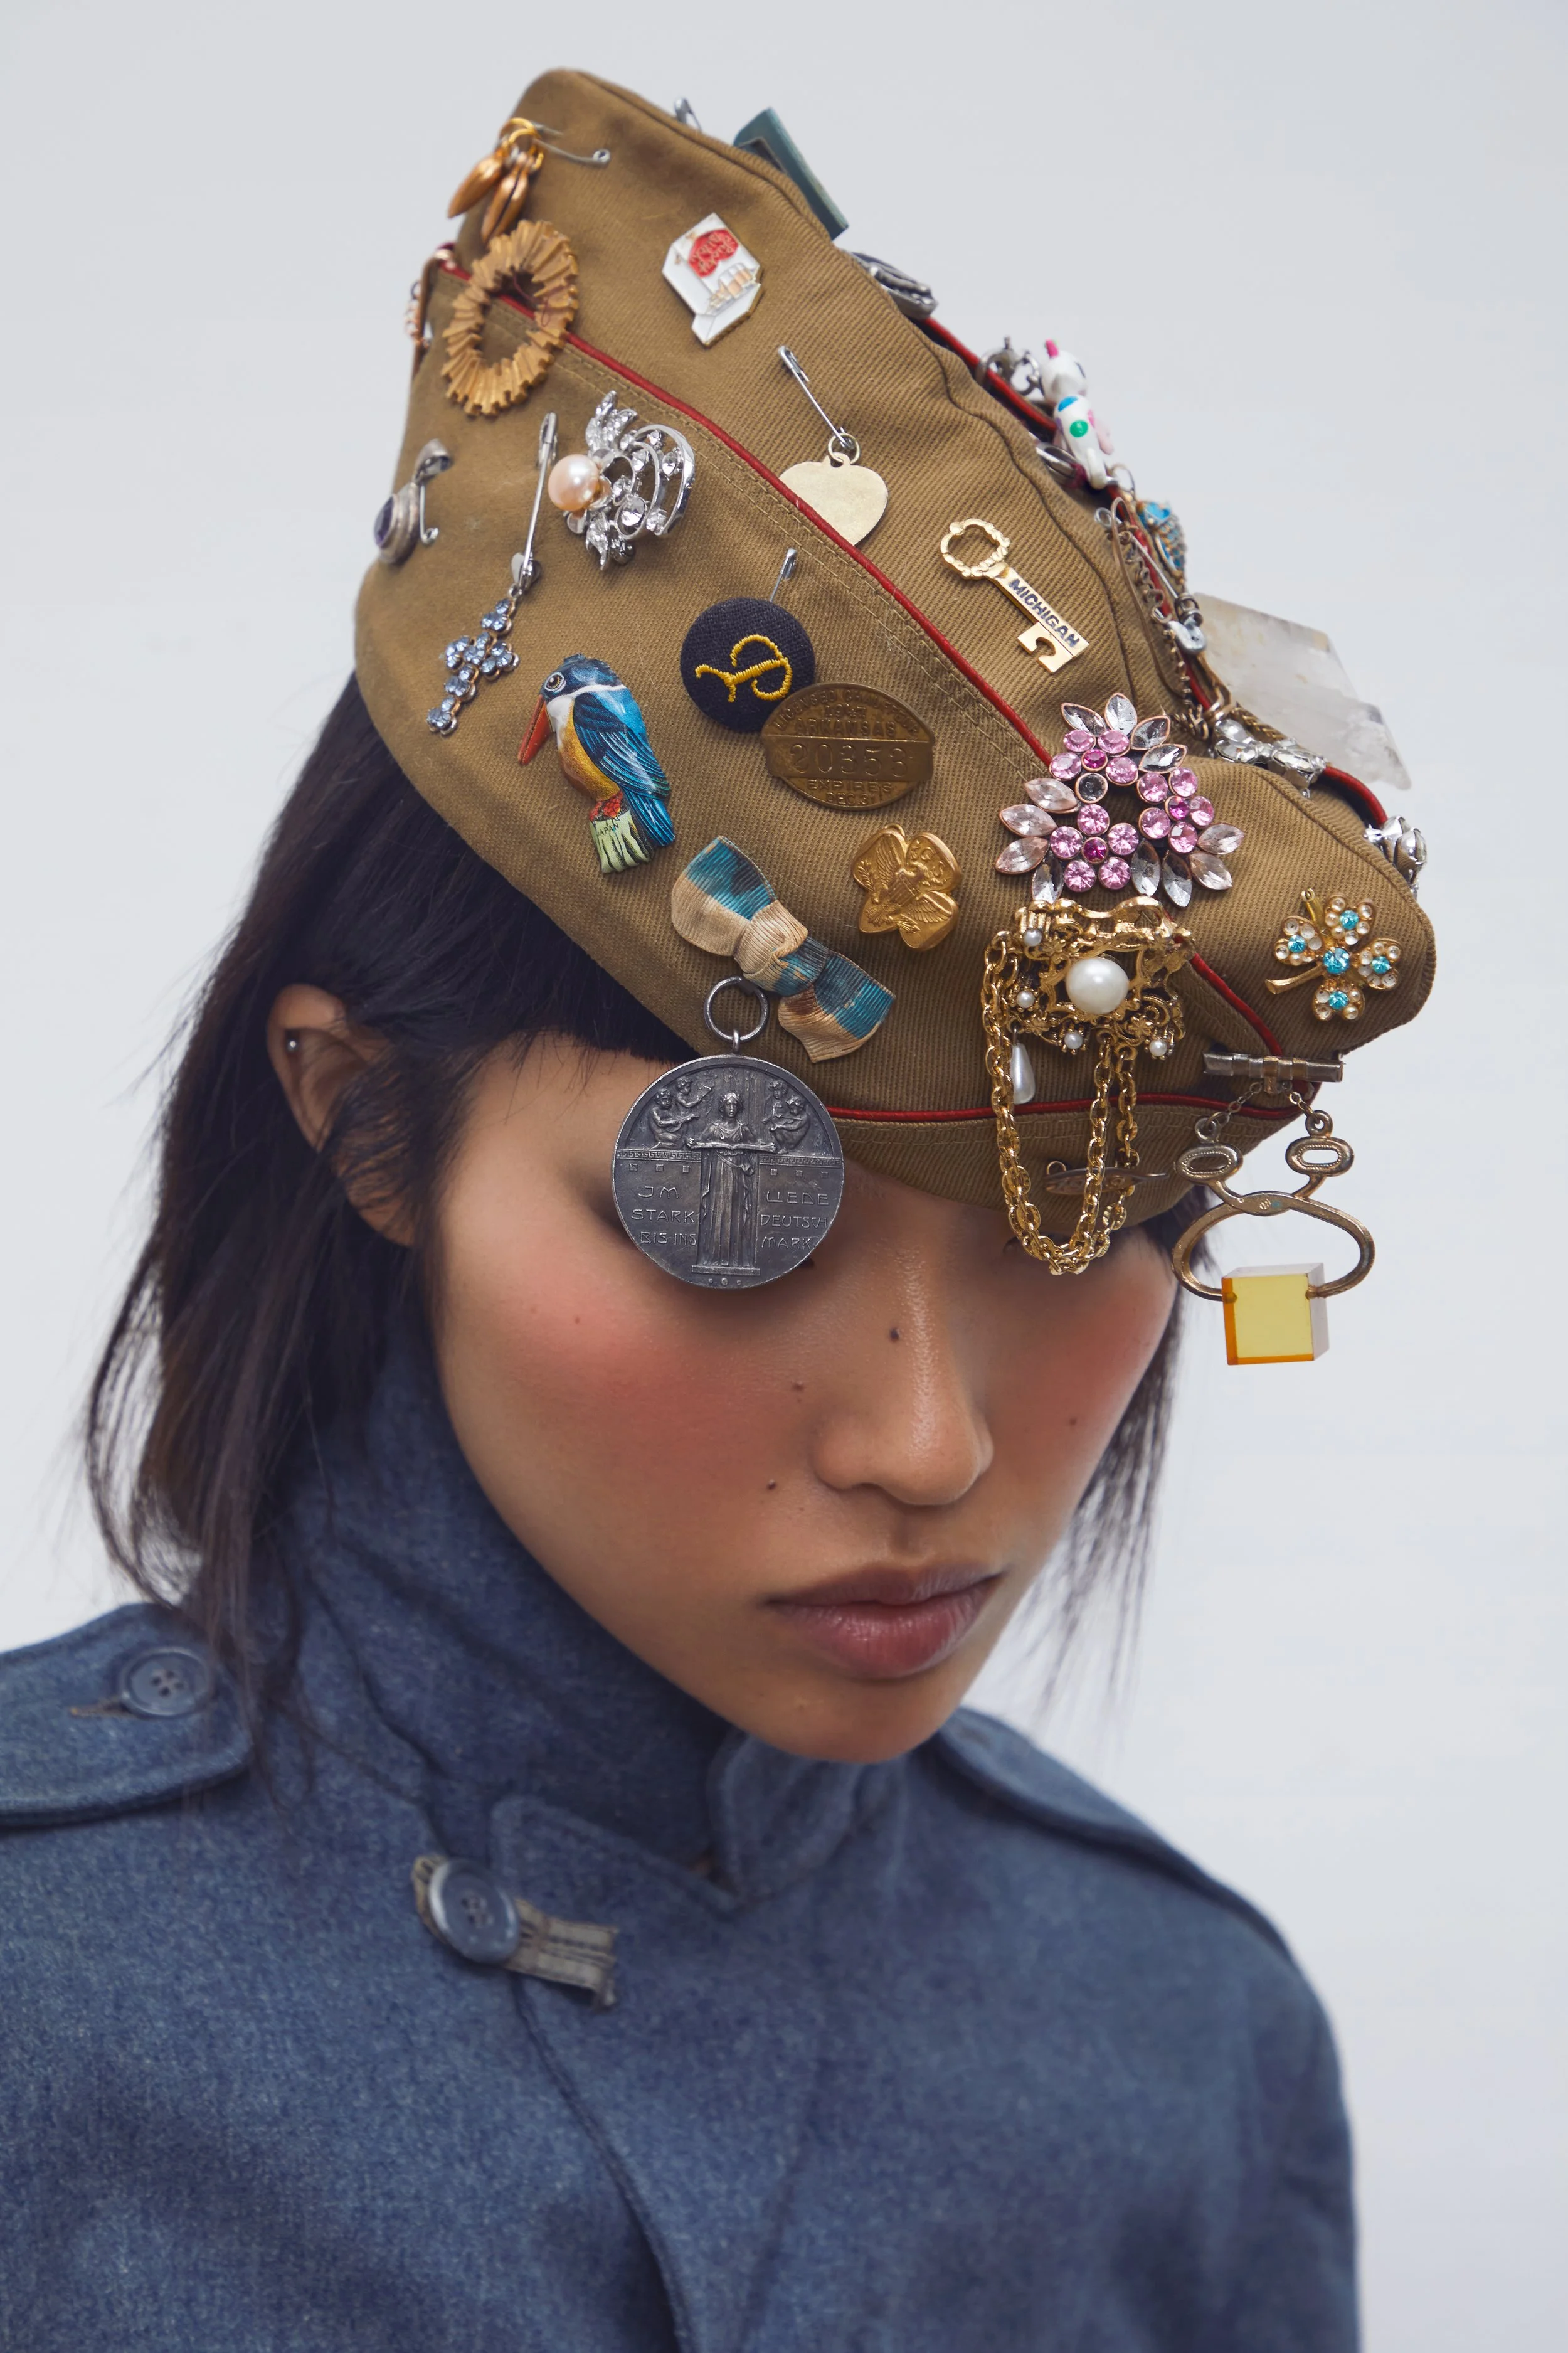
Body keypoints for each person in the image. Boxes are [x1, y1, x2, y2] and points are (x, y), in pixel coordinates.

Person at [0, 68, 1434, 2351]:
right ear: (364, 1129)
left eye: (1097, 1213)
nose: (930, 1445)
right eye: (720, 1210)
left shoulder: (1181, 2055)